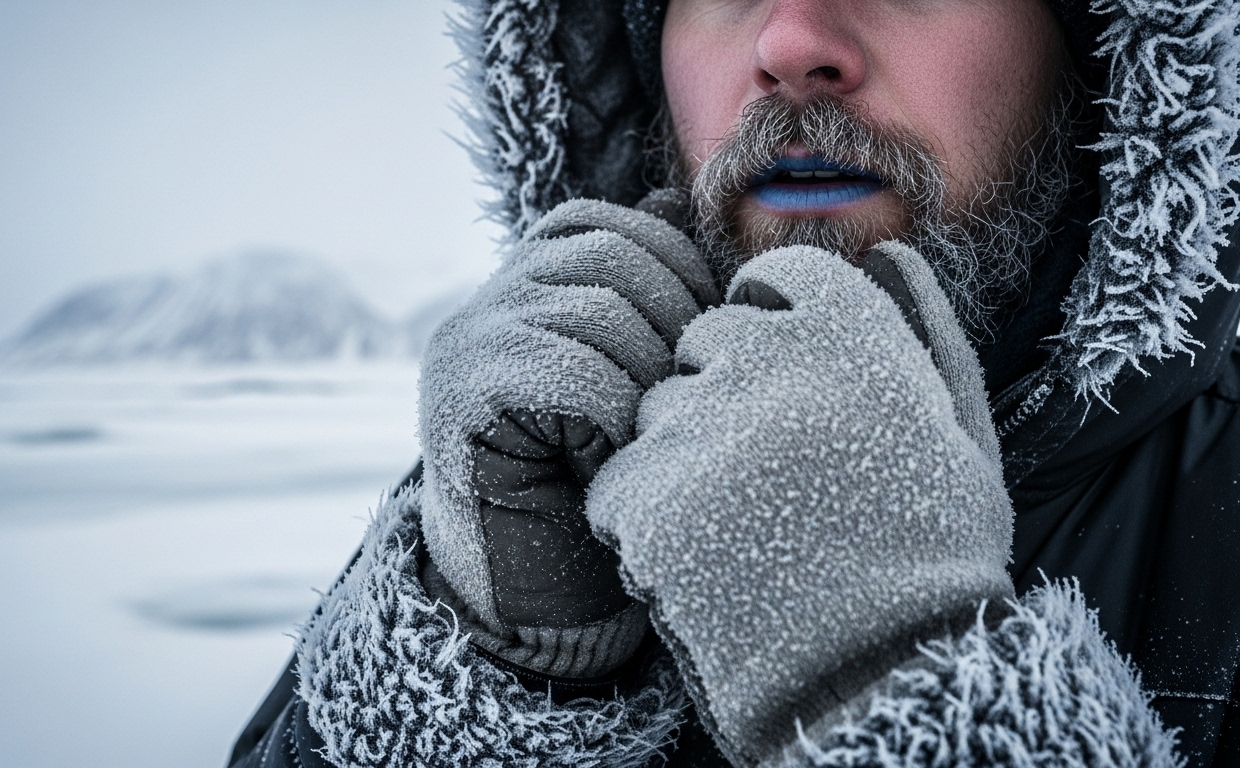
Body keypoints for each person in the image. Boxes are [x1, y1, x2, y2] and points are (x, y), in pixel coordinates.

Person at [228, 0, 1240, 765]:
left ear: (1105, 55)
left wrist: (904, 684)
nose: (792, 39)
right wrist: (489, 678)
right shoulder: (518, 473)